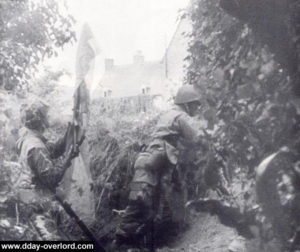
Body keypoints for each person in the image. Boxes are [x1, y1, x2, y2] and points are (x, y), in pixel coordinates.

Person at [114, 85, 202, 249]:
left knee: (140, 204)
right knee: (141, 202)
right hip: (152, 165)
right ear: (187, 104)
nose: (197, 108)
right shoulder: (181, 116)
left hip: (144, 162)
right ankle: (124, 242)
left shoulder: (168, 114)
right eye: (196, 104)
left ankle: (129, 241)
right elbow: (198, 137)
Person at [15, 100, 76, 240]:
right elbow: (51, 179)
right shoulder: (35, 145)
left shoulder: (29, 137)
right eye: (46, 116)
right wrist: (67, 160)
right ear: (39, 120)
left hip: (32, 198)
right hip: (38, 202)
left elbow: (52, 150)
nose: (48, 118)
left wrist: (69, 133)